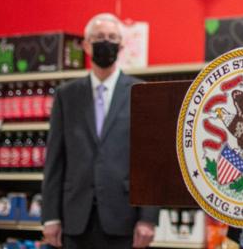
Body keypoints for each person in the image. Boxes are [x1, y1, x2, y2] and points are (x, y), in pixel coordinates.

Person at [41, 13, 158, 248]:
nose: (106, 42)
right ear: (86, 45)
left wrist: (148, 217)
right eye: (99, 37)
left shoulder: (141, 93)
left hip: (124, 218)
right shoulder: (66, 96)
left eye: (112, 37)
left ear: (121, 46)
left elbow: (149, 161)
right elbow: (55, 159)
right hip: (74, 219)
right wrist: (50, 216)